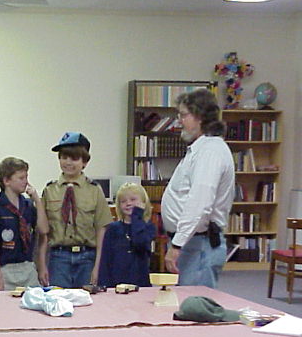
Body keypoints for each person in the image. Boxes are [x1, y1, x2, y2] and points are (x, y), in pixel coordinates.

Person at [162, 88, 235, 288]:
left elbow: (200, 203)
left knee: (195, 303)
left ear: (201, 117)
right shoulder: (201, 149)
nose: (179, 121)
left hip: (198, 244)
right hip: (192, 243)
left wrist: (177, 244)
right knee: (186, 301)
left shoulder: (210, 152)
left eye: (184, 115)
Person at [38, 132, 113, 288]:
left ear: (84, 162)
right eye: (64, 157)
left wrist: (98, 266)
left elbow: (101, 231)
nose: (68, 162)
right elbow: (43, 234)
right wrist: (42, 265)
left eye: (74, 158)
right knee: (58, 299)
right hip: (58, 258)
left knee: (86, 300)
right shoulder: (50, 190)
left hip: (87, 258)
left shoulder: (94, 190)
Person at [0, 157, 48, 290]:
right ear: (6, 181)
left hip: (28, 266)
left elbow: (43, 230)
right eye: (21, 178)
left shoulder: (28, 206)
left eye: (26, 177)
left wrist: (37, 200)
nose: (26, 182)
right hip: (6, 269)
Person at [98, 183, 156, 288]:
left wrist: (137, 216)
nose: (128, 203)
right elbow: (105, 261)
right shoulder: (112, 229)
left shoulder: (148, 227)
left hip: (140, 282)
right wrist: (104, 285)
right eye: (123, 201)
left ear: (143, 203)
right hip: (115, 283)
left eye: (133, 199)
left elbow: (139, 243)